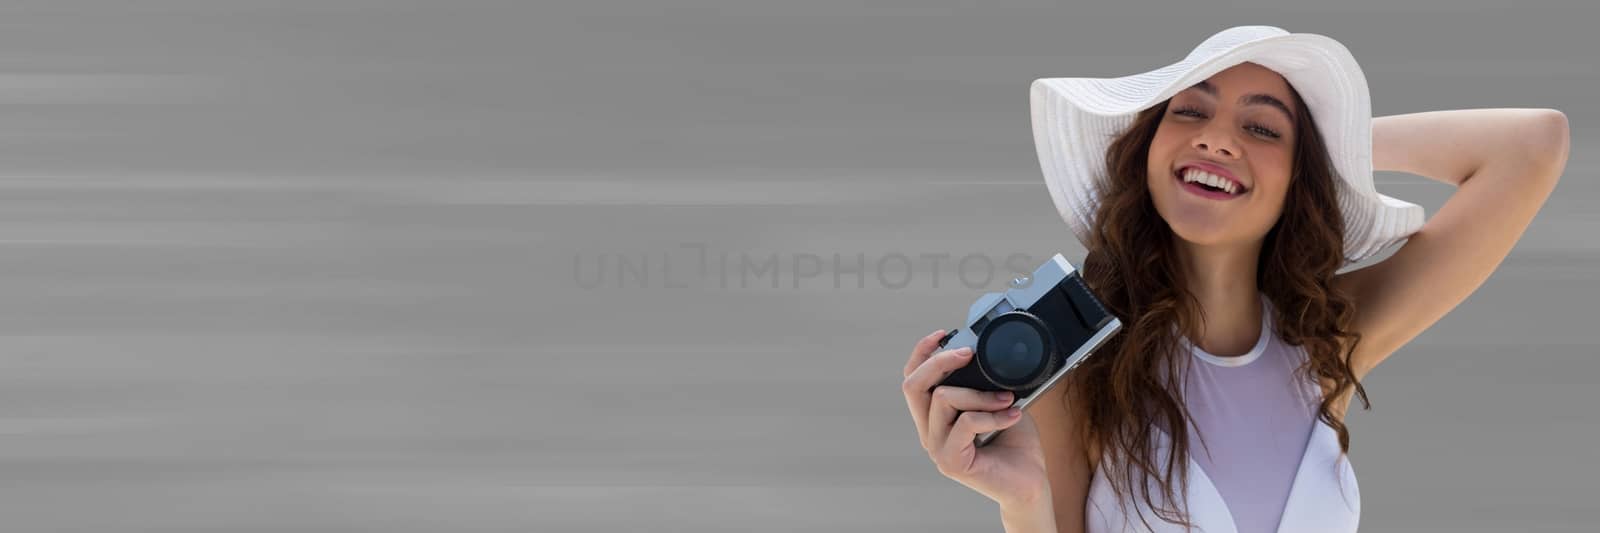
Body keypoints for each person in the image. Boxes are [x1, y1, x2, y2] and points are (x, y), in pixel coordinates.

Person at [900, 25, 1569, 533]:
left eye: (1261, 127)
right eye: (1190, 111)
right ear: (1148, 153)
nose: (1219, 139)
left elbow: (1534, 144)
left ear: (1301, 179)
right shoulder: (1079, 374)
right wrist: (1021, 497)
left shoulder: (1327, 346)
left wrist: (1335, 150)